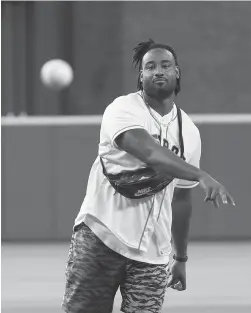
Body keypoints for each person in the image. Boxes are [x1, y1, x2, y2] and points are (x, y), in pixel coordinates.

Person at [62, 39, 235, 313]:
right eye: (150, 66)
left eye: (165, 65)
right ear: (140, 76)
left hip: (152, 255)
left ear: (177, 72)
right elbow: (150, 153)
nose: (158, 71)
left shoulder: (189, 132)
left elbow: (180, 197)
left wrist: (181, 257)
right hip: (101, 237)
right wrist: (202, 175)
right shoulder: (122, 109)